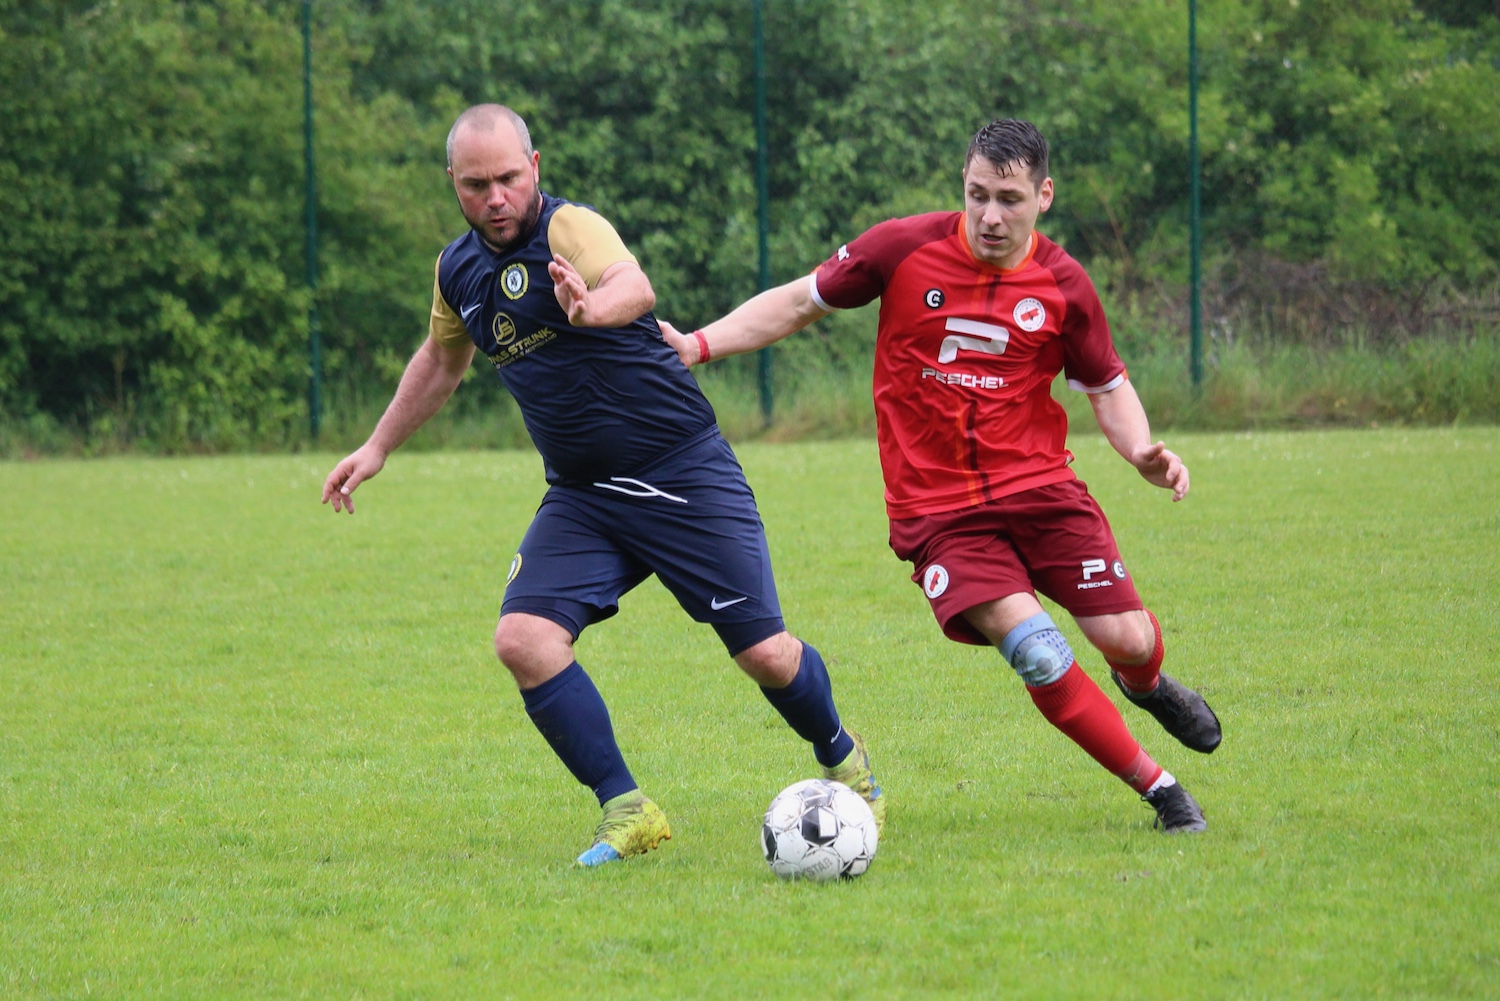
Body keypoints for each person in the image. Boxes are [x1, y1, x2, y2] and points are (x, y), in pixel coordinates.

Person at [321, 104, 883, 865]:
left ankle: (843, 755)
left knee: (765, 654)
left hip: (681, 471)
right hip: (583, 496)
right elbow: (442, 359)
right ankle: (627, 808)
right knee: (523, 640)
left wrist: (591, 309)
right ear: (452, 182)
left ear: (535, 168)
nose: (496, 197)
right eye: (476, 184)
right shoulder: (457, 271)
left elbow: (633, 286)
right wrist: (377, 445)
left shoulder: (569, 228)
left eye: (509, 178)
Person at [661, 118, 1220, 834]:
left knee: (1130, 640)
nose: (990, 216)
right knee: (1038, 653)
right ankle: (1163, 791)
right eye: (977, 194)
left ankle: (1145, 684)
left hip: (1044, 491)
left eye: (1009, 199)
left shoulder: (1063, 283)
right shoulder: (902, 248)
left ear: (1044, 195)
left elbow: (1106, 385)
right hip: (940, 513)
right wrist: (699, 344)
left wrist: (1141, 451)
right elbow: (801, 301)